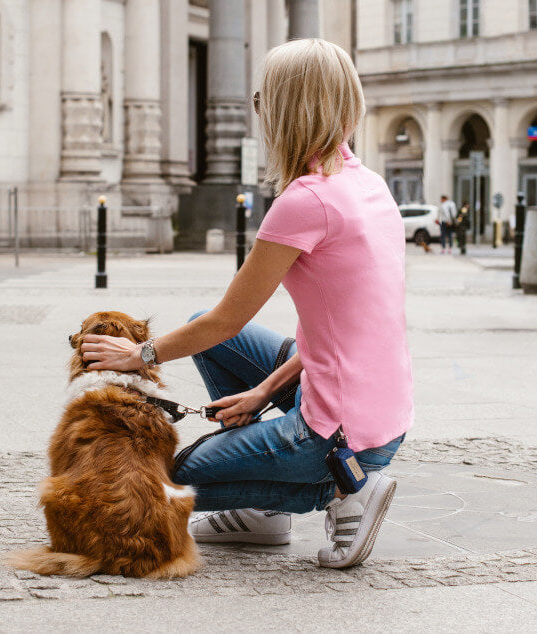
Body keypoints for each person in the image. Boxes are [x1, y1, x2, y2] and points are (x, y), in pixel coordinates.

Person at [79, 39, 413, 569]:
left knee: (168, 479)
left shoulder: (303, 201)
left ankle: (344, 492)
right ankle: (266, 512)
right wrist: (260, 391)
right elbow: (353, 331)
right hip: (383, 414)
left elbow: (226, 318)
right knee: (215, 342)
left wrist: (139, 354)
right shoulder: (368, 185)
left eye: (264, 103)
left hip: (342, 438)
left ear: (284, 111)